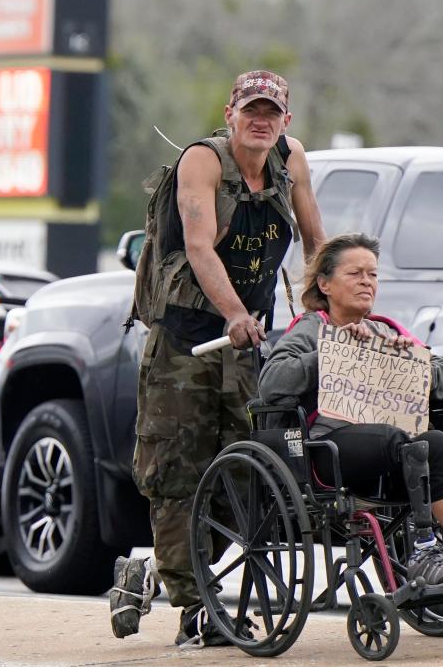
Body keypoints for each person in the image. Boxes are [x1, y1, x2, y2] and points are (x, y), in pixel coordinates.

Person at [110, 70, 325, 647]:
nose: (261, 120)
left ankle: (154, 572)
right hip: (187, 341)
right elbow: (200, 246)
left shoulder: (290, 160)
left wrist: (326, 308)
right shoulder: (202, 162)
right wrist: (233, 313)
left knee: (245, 481)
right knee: (179, 478)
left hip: (247, 346)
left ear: (287, 120)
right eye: (250, 109)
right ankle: (195, 613)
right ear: (230, 112)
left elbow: (314, 241)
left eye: (272, 111)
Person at [258, 233, 443, 591]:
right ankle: (424, 551)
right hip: (329, 450)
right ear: (324, 283)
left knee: (434, 440)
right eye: (355, 273)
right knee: (407, 440)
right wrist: (332, 354)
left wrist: (410, 361)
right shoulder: (312, 329)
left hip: (396, 445)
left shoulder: (386, 331)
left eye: (372, 274)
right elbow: (271, 382)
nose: (366, 282)